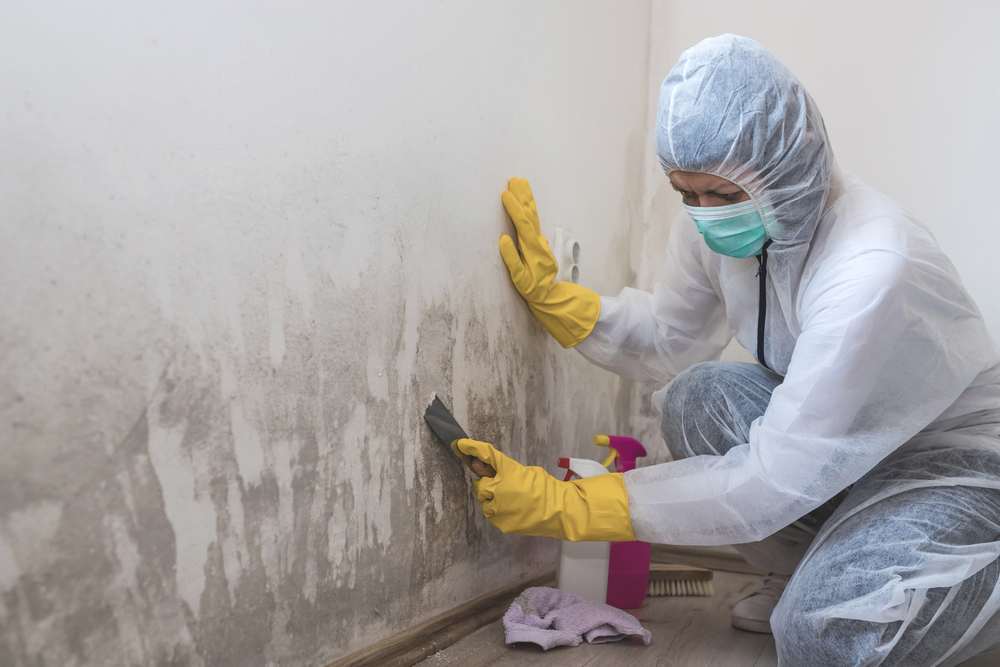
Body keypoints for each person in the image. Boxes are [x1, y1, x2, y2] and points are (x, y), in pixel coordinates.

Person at [454, 35, 1000, 666]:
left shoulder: (873, 266)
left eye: (722, 196)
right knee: (698, 397)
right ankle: (814, 567)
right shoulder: (715, 226)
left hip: (949, 461)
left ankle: (963, 575)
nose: (704, 214)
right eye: (687, 193)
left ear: (790, 166)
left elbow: (773, 479)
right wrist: (564, 305)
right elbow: (669, 336)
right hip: (845, 454)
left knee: (825, 630)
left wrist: (573, 504)